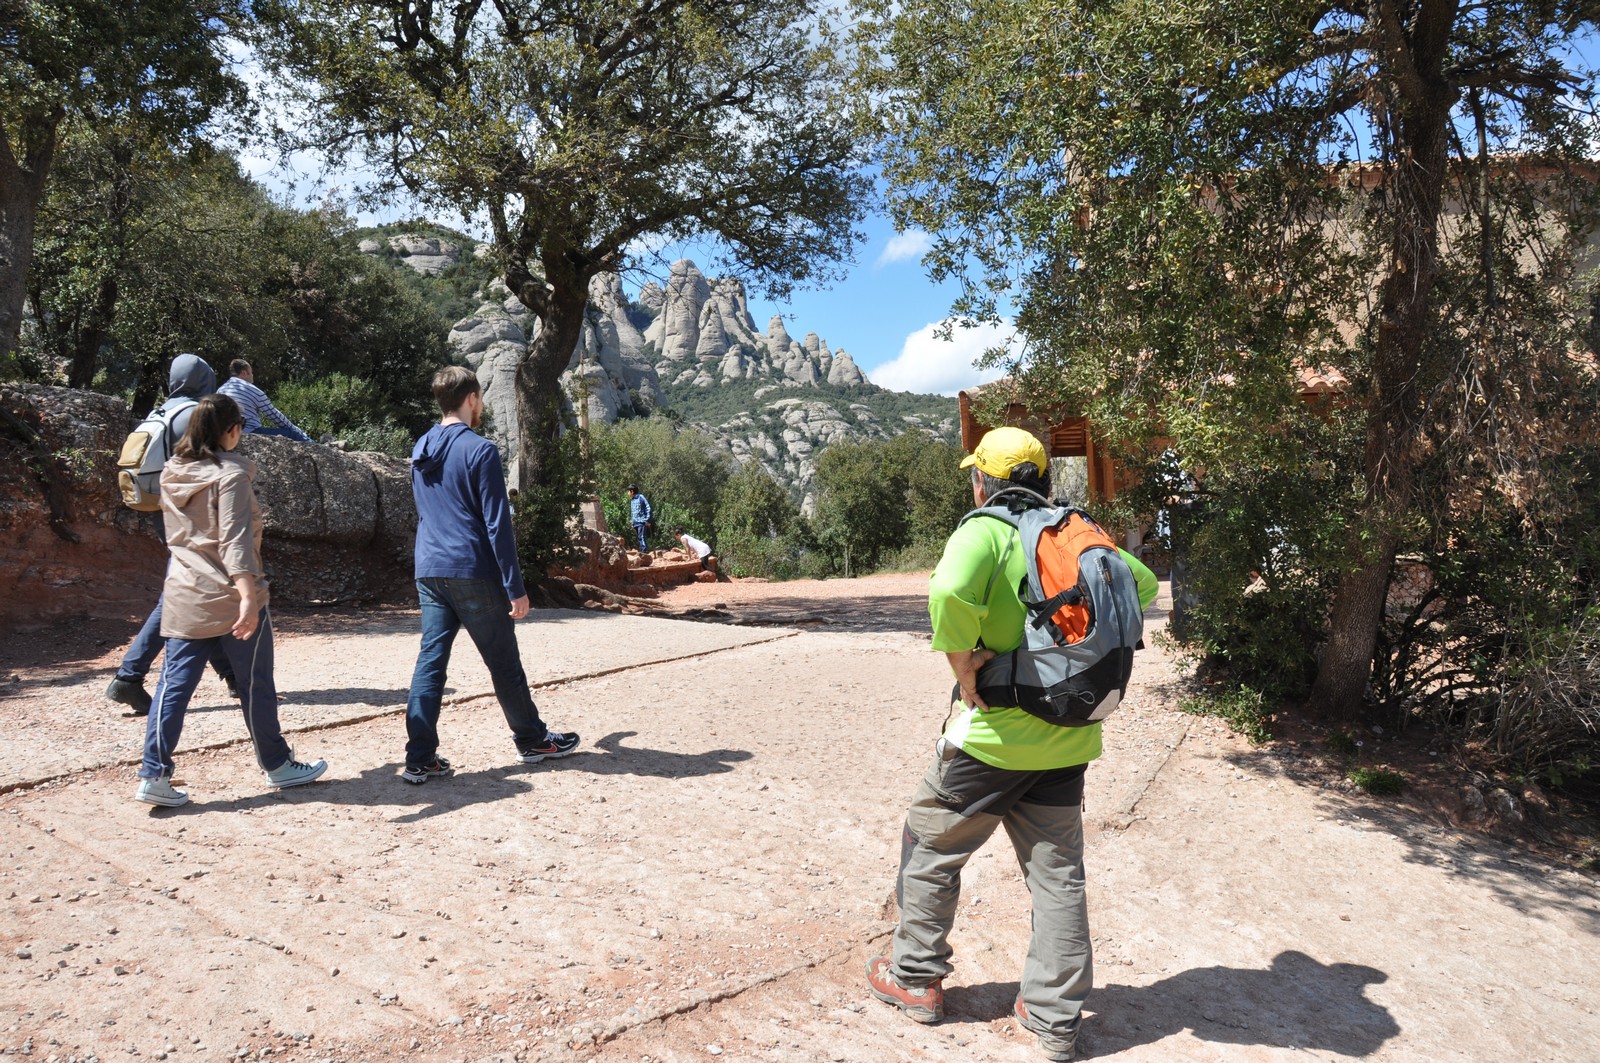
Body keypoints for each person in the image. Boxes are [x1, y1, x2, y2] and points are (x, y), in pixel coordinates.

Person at [865, 427, 1158, 1062]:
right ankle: (1054, 1017)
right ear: (1044, 481)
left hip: (991, 739)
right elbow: (1141, 585)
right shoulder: (1077, 531)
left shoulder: (985, 531)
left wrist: (963, 665)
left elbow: (948, 591)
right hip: (1068, 737)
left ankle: (914, 977)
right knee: (1058, 875)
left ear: (983, 484)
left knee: (930, 844)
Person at [134, 395, 329, 807]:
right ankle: (277, 764)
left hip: (184, 593)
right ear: (233, 430)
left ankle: (154, 775)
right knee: (255, 683)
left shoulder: (172, 471)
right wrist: (247, 599)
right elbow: (235, 541)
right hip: (228, 594)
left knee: (172, 687)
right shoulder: (231, 475)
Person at [403, 366, 579, 784]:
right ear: (472, 399)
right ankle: (532, 740)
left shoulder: (420, 447)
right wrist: (515, 587)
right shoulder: (480, 450)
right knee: (504, 663)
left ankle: (419, 758)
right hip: (472, 569)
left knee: (431, 662)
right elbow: (498, 525)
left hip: (429, 568)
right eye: (479, 398)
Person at [106, 354, 237, 716]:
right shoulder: (196, 414)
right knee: (184, 594)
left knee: (200, 589)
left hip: (163, 510)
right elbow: (214, 468)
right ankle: (129, 676)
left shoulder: (162, 411)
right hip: (193, 517)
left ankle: (233, 676)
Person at [216, 359, 313, 442]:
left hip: (225, 435)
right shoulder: (252, 390)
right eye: (251, 372)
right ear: (244, 373)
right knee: (291, 433)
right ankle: (315, 446)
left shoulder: (220, 390)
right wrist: (299, 432)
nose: (252, 376)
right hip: (249, 433)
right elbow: (274, 416)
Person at [626, 484, 651, 551]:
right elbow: (632, 512)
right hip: (635, 523)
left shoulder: (641, 497)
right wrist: (632, 522)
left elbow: (647, 507)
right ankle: (642, 551)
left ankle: (644, 552)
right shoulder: (632, 500)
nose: (627, 493)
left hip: (642, 521)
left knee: (642, 537)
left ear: (632, 491)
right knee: (639, 538)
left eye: (628, 491)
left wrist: (647, 520)